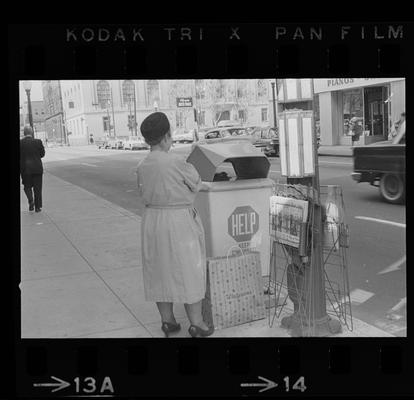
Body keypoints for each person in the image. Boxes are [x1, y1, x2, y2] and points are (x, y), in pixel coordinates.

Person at [136, 112, 213, 338]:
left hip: (152, 220)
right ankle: (197, 324)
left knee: (159, 269)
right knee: (189, 269)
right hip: (178, 220)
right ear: (166, 136)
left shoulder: (142, 165)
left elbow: (142, 192)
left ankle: (168, 322)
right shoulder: (177, 162)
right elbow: (196, 184)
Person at [20, 126, 45, 212]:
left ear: (24, 133)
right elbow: (42, 154)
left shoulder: (20, 143)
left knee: (27, 187)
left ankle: (31, 201)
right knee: (37, 189)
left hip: (25, 169)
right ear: (32, 132)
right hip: (37, 169)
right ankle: (37, 208)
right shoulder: (38, 142)